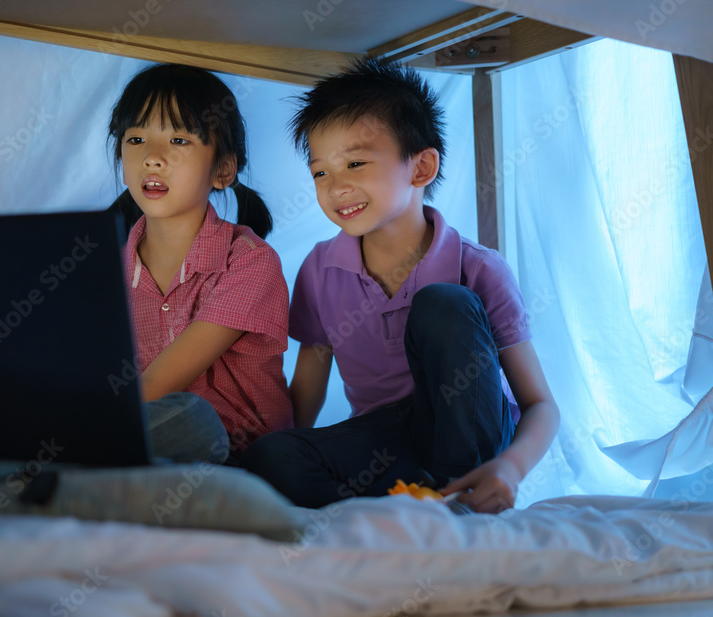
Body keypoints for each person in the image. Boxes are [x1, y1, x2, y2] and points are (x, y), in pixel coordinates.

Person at [241, 58, 559, 512]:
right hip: (387, 447)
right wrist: (280, 453)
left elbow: (540, 404)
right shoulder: (319, 269)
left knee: (444, 303)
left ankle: (459, 504)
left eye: (355, 163)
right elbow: (306, 388)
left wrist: (511, 467)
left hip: (470, 437)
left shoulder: (478, 268)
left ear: (421, 168)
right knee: (271, 455)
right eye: (321, 172)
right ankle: (394, 519)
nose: (336, 187)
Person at [106, 63, 292, 464]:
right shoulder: (107, 270)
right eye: (136, 138)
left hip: (241, 457)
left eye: (177, 139)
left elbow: (158, 384)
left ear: (222, 169)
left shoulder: (250, 261)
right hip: (145, 448)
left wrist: (76, 432)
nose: (152, 158)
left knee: (191, 418)